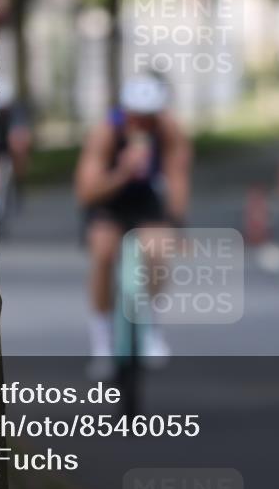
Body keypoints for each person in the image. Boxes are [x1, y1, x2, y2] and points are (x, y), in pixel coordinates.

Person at [74, 73, 192, 360]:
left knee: (158, 250)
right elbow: (86, 191)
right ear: (124, 113)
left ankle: (150, 326)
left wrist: (176, 222)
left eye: (147, 118)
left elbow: (177, 178)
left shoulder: (168, 131)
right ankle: (101, 334)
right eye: (135, 117)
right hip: (108, 198)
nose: (140, 124)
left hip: (145, 200)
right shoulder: (105, 133)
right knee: (103, 253)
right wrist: (122, 173)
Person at [0, 78, 33, 228]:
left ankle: (1, 215)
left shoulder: (9, 115)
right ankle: (0, 214)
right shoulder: (6, 115)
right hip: (1, 156)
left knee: (2, 189)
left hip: (4, 157)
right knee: (0, 189)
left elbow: (17, 138)